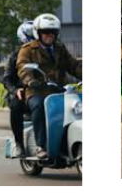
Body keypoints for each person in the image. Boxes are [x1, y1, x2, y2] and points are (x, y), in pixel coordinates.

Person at [17, 13, 82, 158]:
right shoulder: (28, 49)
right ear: (38, 33)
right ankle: (41, 146)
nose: (49, 35)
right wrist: (30, 80)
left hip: (59, 90)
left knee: (78, 106)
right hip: (36, 91)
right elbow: (22, 68)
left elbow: (74, 65)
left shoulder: (59, 49)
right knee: (39, 105)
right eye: (45, 32)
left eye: (53, 32)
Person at [4, 21, 35, 155]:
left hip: (43, 92)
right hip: (22, 93)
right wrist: (15, 90)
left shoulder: (45, 54)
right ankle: (19, 144)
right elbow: (6, 78)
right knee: (16, 106)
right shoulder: (15, 56)